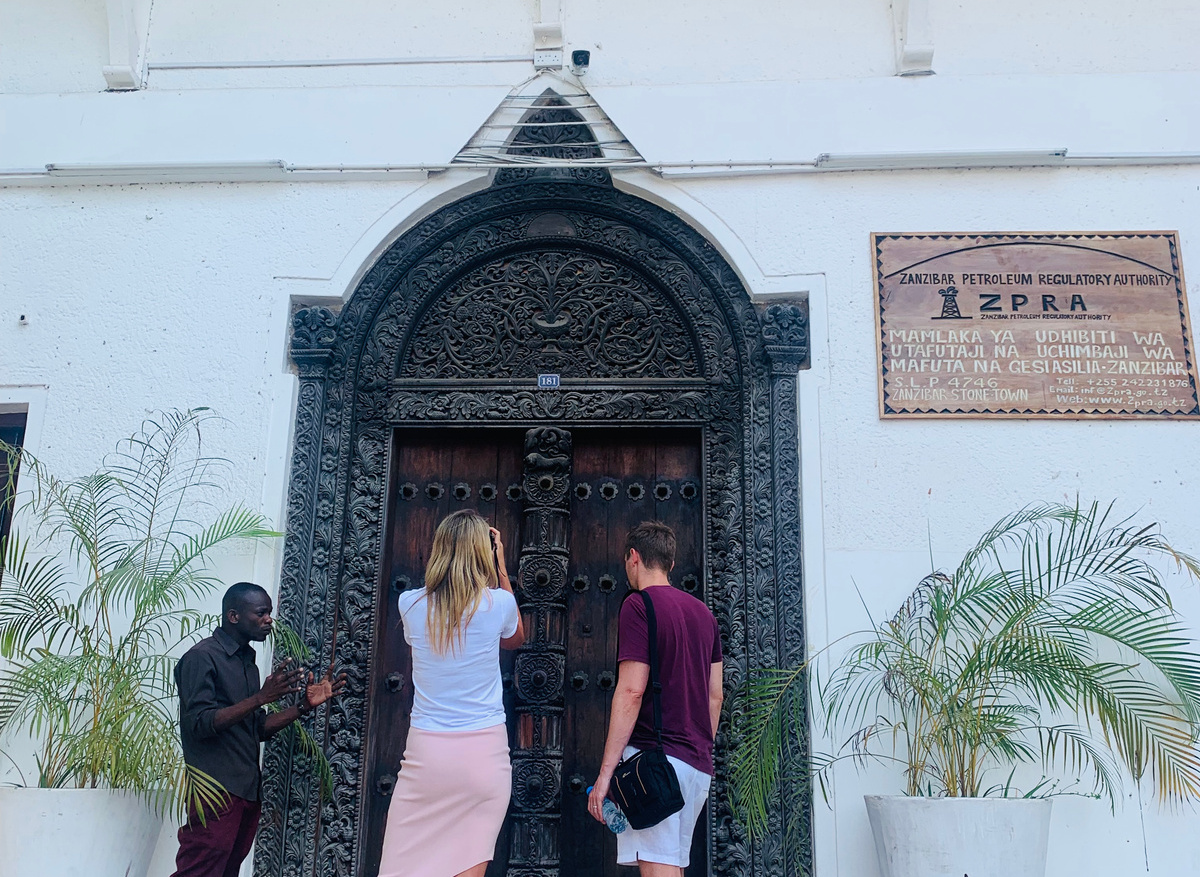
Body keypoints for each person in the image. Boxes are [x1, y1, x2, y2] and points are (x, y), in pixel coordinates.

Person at [378, 510, 526, 877]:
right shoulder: (499, 604)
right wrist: (502, 571)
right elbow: (516, 639)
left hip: (428, 758)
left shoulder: (410, 604)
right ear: (484, 553)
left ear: (439, 549)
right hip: (483, 758)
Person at [171, 581, 346, 877]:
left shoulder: (247, 663)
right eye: (261, 613)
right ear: (234, 616)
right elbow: (200, 723)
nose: (269, 620)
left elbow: (257, 728)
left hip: (246, 791)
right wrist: (260, 698)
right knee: (197, 871)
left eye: (270, 613)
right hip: (214, 791)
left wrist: (303, 706)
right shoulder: (202, 657)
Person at [588, 521, 723, 877]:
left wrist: (605, 776)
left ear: (633, 557)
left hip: (656, 765)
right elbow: (715, 696)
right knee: (670, 866)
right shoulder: (705, 615)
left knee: (658, 870)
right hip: (696, 766)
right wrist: (696, 749)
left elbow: (632, 690)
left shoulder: (639, 605)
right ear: (671, 564)